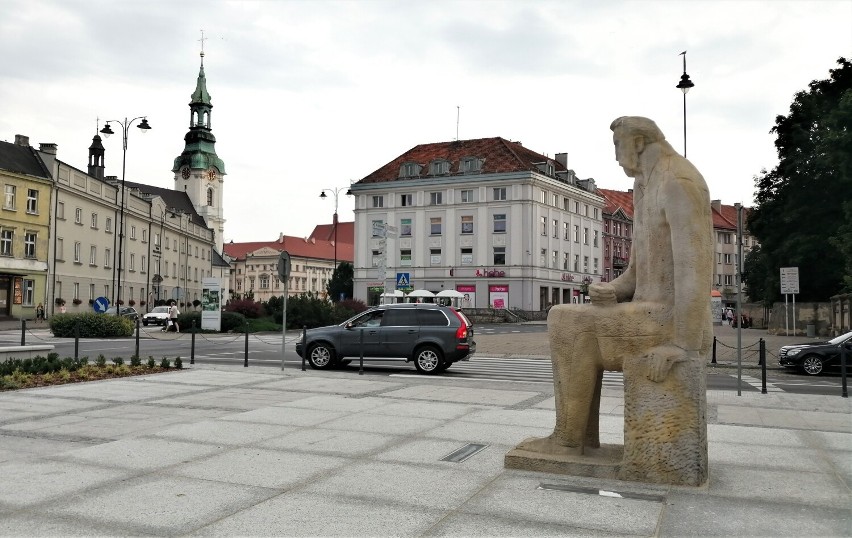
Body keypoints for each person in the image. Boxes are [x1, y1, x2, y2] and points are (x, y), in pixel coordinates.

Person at [519, 116, 713, 454]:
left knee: (567, 322)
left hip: (670, 321)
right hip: (648, 311)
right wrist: (614, 289)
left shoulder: (678, 181)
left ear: (638, 143)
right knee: (567, 317)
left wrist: (682, 345)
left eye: (617, 146)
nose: (615, 155)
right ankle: (576, 438)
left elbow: (694, 269)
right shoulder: (644, 186)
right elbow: (636, 274)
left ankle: (569, 440)